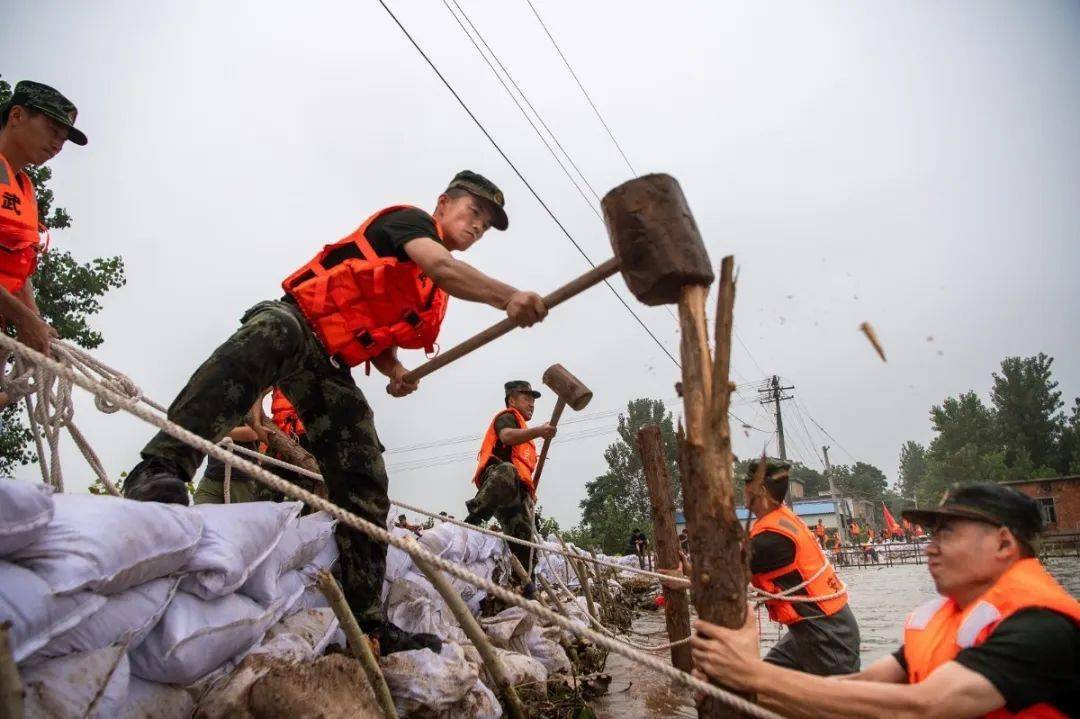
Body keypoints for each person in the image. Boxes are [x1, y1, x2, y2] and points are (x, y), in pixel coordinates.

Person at [120, 171, 547, 654]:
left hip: (330, 365)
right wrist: (507, 296)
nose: (476, 228)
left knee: (364, 476)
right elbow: (443, 265)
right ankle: (160, 469)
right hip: (299, 323)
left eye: (485, 226)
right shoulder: (411, 227)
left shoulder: (431, 291)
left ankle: (366, 620)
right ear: (443, 204)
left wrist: (394, 370)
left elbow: (378, 334)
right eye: (473, 214)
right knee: (266, 338)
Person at [689, 482, 1080, 718]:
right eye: (931, 534)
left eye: (946, 534)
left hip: (821, 621)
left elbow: (920, 706)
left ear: (1004, 542)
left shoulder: (1040, 626)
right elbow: (858, 689)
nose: (930, 548)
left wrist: (751, 675)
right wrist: (744, 686)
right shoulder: (946, 620)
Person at [0, 81, 87, 359]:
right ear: (16, 116)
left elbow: (18, 265)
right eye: (53, 131)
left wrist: (36, 322)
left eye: (63, 139)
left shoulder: (24, 188)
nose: (57, 145)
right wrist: (25, 318)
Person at [464, 380, 555, 597]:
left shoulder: (526, 434)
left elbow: (524, 473)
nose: (532, 403)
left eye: (533, 399)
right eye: (527, 398)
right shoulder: (508, 416)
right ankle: (474, 518)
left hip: (515, 493)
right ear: (512, 399)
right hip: (497, 481)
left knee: (526, 543)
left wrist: (530, 495)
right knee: (508, 470)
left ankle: (523, 590)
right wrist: (539, 431)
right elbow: (506, 436)